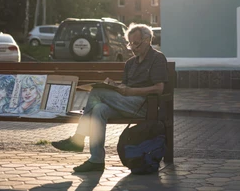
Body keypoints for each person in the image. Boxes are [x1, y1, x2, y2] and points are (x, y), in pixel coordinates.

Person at [51, 23, 168, 173]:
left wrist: (131, 91)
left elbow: (159, 88)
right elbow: (125, 87)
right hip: (127, 104)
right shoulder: (130, 63)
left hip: (145, 106)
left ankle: (78, 138)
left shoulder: (157, 58)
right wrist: (114, 86)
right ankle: (96, 160)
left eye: (136, 43)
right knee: (99, 109)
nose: (132, 47)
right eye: (130, 43)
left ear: (147, 40)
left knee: (97, 93)